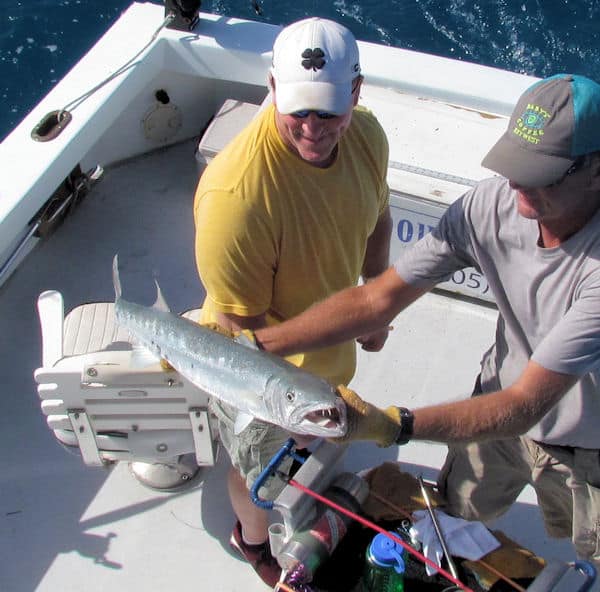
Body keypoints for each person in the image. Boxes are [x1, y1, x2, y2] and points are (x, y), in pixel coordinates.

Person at [253, 73, 600, 566]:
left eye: (542, 173)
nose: (518, 185)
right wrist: (258, 345)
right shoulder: (491, 204)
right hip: (496, 417)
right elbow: (378, 299)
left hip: (588, 454)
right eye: (514, 166)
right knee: (454, 518)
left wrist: (393, 424)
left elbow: (525, 405)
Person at [193, 17, 392, 586]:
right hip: (250, 365)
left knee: (308, 451)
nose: (313, 128)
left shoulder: (368, 137)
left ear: (356, 92)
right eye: (299, 109)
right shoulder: (236, 198)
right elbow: (245, 346)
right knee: (260, 471)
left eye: (329, 111)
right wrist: (297, 409)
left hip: (325, 358)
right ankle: (251, 539)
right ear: (273, 86)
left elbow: (379, 217)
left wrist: (377, 301)